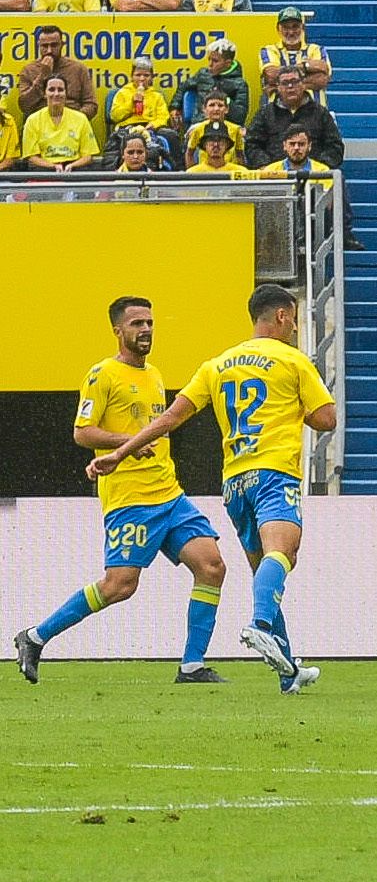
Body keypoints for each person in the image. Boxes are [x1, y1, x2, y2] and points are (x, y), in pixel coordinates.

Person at [88, 285, 336, 693]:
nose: (293, 327)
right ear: (281, 317)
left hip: (235, 483)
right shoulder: (292, 360)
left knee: (264, 572)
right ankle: (259, 626)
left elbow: (169, 419)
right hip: (273, 471)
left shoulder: (217, 365)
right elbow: (326, 419)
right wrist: (297, 409)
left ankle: (288, 671)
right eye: (293, 319)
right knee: (283, 552)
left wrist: (119, 453)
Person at [13, 297, 229, 686]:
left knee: (212, 566)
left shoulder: (156, 374)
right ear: (118, 330)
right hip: (130, 500)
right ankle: (34, 637)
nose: (145, 330)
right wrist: (127, 442)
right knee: (119, 586)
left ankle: (192, 666)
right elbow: (82, 432)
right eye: (136, 324)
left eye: (149, 323)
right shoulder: (103, 374)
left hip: (169, 494)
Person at [22, 74, 99, 171]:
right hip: (43, 171)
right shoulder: (32, 120)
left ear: (66, 93)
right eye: (51, 89)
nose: (56, 94)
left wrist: (72, 166)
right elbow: (31, 157)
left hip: (74, 170)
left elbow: (88, 156)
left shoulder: (81, 118)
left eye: (60, 90)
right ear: (44, 94)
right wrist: (53, 167)